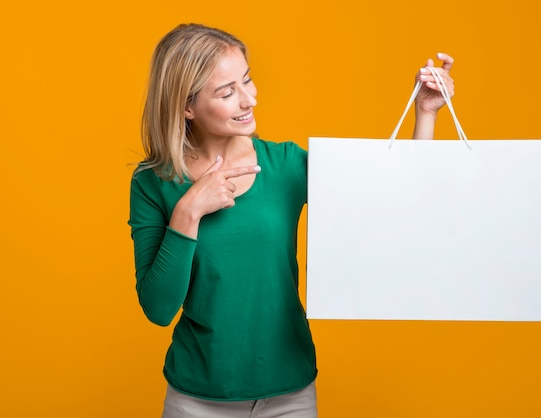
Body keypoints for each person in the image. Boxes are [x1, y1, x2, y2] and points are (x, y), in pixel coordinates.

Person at [129, 23, 455, 418]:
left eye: (247, 81)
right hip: (196, 400)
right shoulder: (153, 182)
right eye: (227, 92)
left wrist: (425, 114)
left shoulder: (285, 165)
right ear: (186, 106)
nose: (249, 99)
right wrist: (188, 211)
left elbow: (394, 204)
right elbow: (158, 308)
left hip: (290, 396)